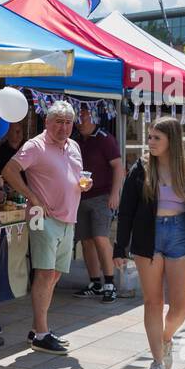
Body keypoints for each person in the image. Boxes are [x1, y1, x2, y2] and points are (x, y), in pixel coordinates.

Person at [114, 117, 185, 369]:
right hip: (147, 235)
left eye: (156, 138)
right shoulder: (140, 169)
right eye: (149, 137)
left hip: (179, 235)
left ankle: (165, 338)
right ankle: (156, 362)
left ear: (171, 141)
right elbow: (126, 210)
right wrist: (119, 247)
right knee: (152, 302)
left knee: (180, 306)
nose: (150, 142)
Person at [2, 101, 84, 355]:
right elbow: (9, 170)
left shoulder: (74, 146)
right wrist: (31, 196)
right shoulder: (35, 145)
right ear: (47, 123)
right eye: (58, 121)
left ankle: (40, 327)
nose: (63, 127)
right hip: (43, 216)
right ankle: (41, 333)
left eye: (68, 122)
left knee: (55, 274)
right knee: (45, 273)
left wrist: (82, 186)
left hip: (68, 217)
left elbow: (72, 177)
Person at [71, 104, 124, 303]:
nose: (80, 122)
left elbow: (118, 166)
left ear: (94, 118)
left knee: (100, 237)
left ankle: (110, 283)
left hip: (102, 196)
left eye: (84, 117)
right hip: (81, 196)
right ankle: (95, 282)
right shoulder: (76, 139)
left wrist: (115, 193)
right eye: (79, 118)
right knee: (86, 240)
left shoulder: (104, 139)